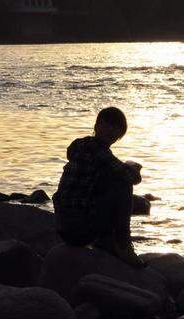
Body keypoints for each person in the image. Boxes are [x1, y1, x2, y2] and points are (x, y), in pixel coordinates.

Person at [52, 107, 146, 268]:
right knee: (123, 184)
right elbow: (133, 178)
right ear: (97, 126)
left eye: (116, 128)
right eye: (108, 125)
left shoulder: (79, 145)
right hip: (78, 230)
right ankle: (123, 243)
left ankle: (107, 241)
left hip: (63, 226)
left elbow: (74, 155)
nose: (111, 130)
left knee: (110, 178)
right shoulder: (99, 151)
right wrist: (133, 166)